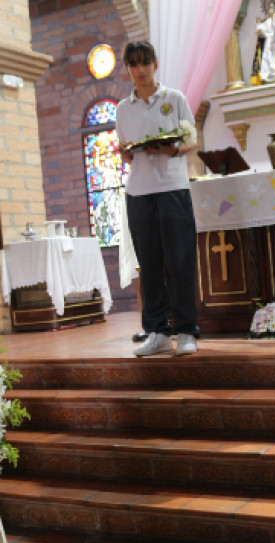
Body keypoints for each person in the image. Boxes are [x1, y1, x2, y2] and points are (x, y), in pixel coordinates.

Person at [116, 40, 199, 357]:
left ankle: (186, 330)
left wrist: (174, 149)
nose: (140, 70)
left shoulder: (174, 98)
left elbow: (192, 140)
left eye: (144, 63)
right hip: (139, 192)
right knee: (148, 266)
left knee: (179, 262)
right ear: (127, 69)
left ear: (155, 64)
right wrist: (126, 153)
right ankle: (157, 331)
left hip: (172, 188)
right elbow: (126, 151)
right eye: (133, 65)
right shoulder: (123, 109)